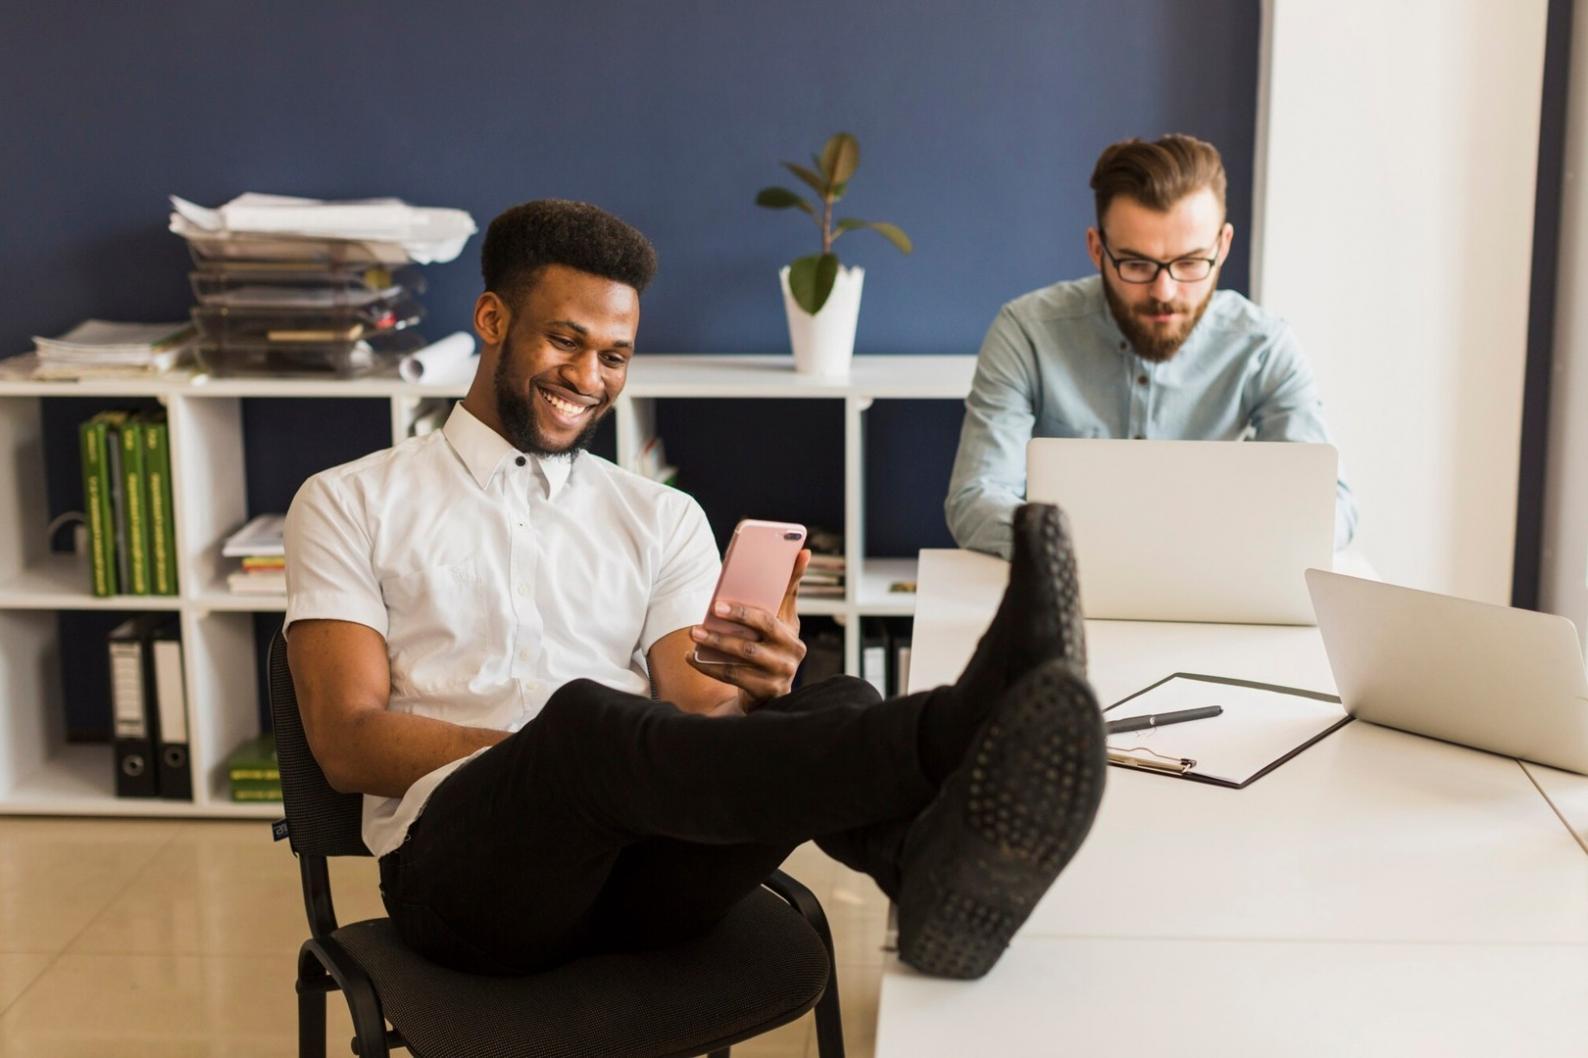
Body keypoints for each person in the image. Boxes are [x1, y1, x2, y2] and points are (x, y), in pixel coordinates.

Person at [283, 199, 1106, 981]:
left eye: (613, 356)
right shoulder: (348, 500)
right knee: (583, 725)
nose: (588, 378)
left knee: (828, 696)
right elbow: (346, 742)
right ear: (493, 320)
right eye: (564, 342)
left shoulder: (663, 515)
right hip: (467, 888)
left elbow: (696, 710)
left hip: (649, 882)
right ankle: (958, 725)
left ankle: (916, 864)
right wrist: (542, 759)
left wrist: (753, 692)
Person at [945, 133, 1358, 560]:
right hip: (1065, 591)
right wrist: (1084, 549)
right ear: (1096, 249)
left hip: (1214, 592)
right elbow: (977, 497)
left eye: (1191, 263)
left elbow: (1334, 508)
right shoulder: (1026, 332)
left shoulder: (1263, 346)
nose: (1164, 290)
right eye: (1136, 264)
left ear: (1223, 246)